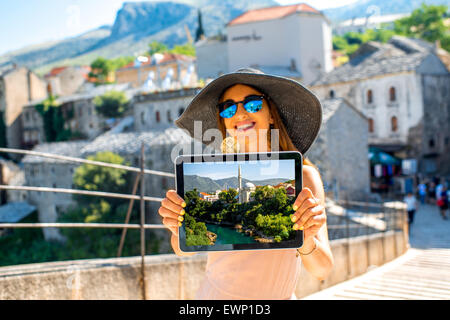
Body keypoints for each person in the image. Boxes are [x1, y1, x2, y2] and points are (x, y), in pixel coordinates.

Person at [158, 68, 334, 300]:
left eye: (252, 104)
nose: (239, 113)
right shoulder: (211, 177)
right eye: (228, 108)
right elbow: (183, 251)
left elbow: (322, 270)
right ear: (224, 121)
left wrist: (307, 237)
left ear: (271, 114)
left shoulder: (304, 177)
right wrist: (176, 228)